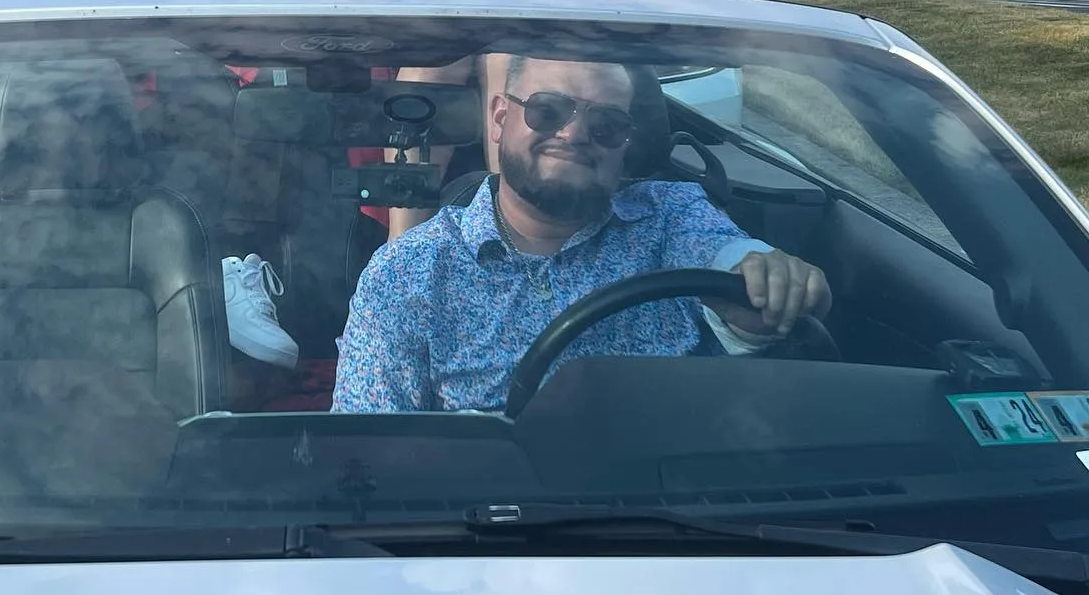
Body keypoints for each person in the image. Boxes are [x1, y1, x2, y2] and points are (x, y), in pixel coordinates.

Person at [332, 56, 832, 413]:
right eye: (548, 111)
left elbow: (727, 254)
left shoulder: (672, 215)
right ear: (501, 119)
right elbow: (369, 464)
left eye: (606, 124)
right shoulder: (410, 274)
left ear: (627, 143)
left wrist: (767, 280)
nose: (573, 134)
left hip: (685, 519)